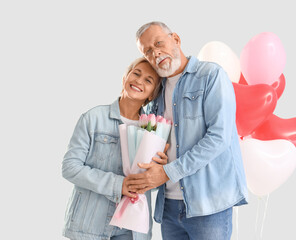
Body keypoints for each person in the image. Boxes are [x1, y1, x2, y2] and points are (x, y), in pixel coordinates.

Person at [125, 22, 249, 240]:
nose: (156, 53)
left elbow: (219, 137)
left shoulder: (211, 76)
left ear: (176, 39)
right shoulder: (157, 91)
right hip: (169, 208)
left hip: (208, 206)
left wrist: (167, 172)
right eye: (148, 51)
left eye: (159, 43)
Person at [62, 57, 167, 240]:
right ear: (125, 77)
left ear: (152, 94)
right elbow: (70, 167)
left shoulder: (155, 129)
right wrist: (118, 185)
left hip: (131, 230)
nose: (139, 81)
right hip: (90, 225)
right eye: (136, 73)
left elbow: (153, 188)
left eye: (148, 81)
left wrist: (159, 173)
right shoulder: (93, 118)